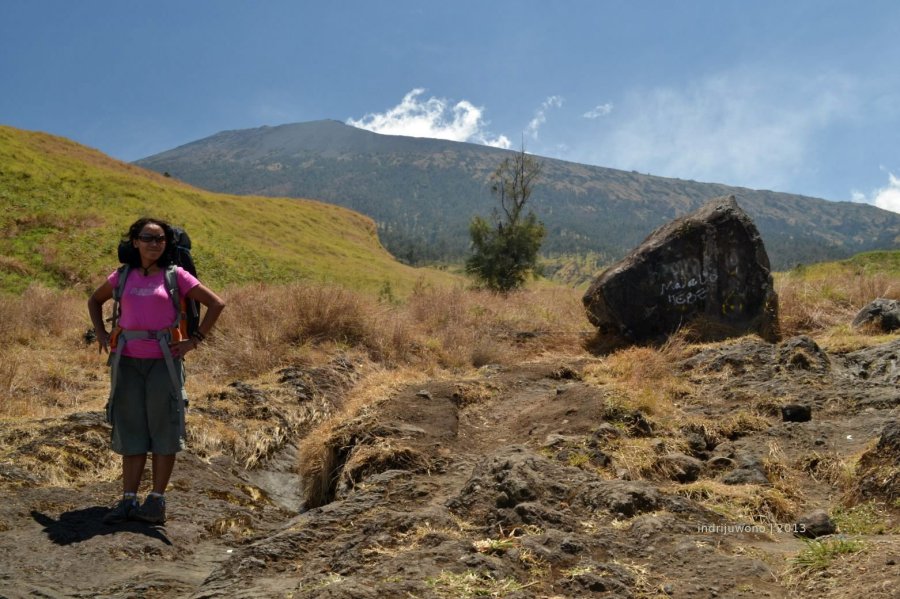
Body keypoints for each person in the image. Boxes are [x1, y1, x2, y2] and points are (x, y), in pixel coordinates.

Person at [88, 217, 225, 525]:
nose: (154, 244)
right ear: (134, 241)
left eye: (160, 239)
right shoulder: (122, 276)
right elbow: (94, 301)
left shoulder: (177, 276)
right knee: (131, 428)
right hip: (126, 362)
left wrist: (195, 340)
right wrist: (101, 335)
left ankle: (156, 501)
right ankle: (128, 500)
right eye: (148, 238)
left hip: (165, 362)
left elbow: (217, 304)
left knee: (164, 427)